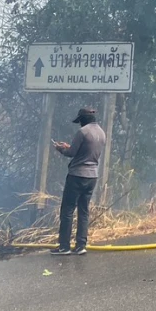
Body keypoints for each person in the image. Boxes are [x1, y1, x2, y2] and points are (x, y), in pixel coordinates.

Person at [50, 106, 106, 255]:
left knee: (67, 210)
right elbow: (87, 152)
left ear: (83, 120)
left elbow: (72, 152)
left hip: (77, 176)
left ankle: (64, 247)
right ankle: (81, 246)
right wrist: (70, 147)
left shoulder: (83, 132)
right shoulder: (101, 133)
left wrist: (61, 148)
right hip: (92, 177)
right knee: (84, 211)